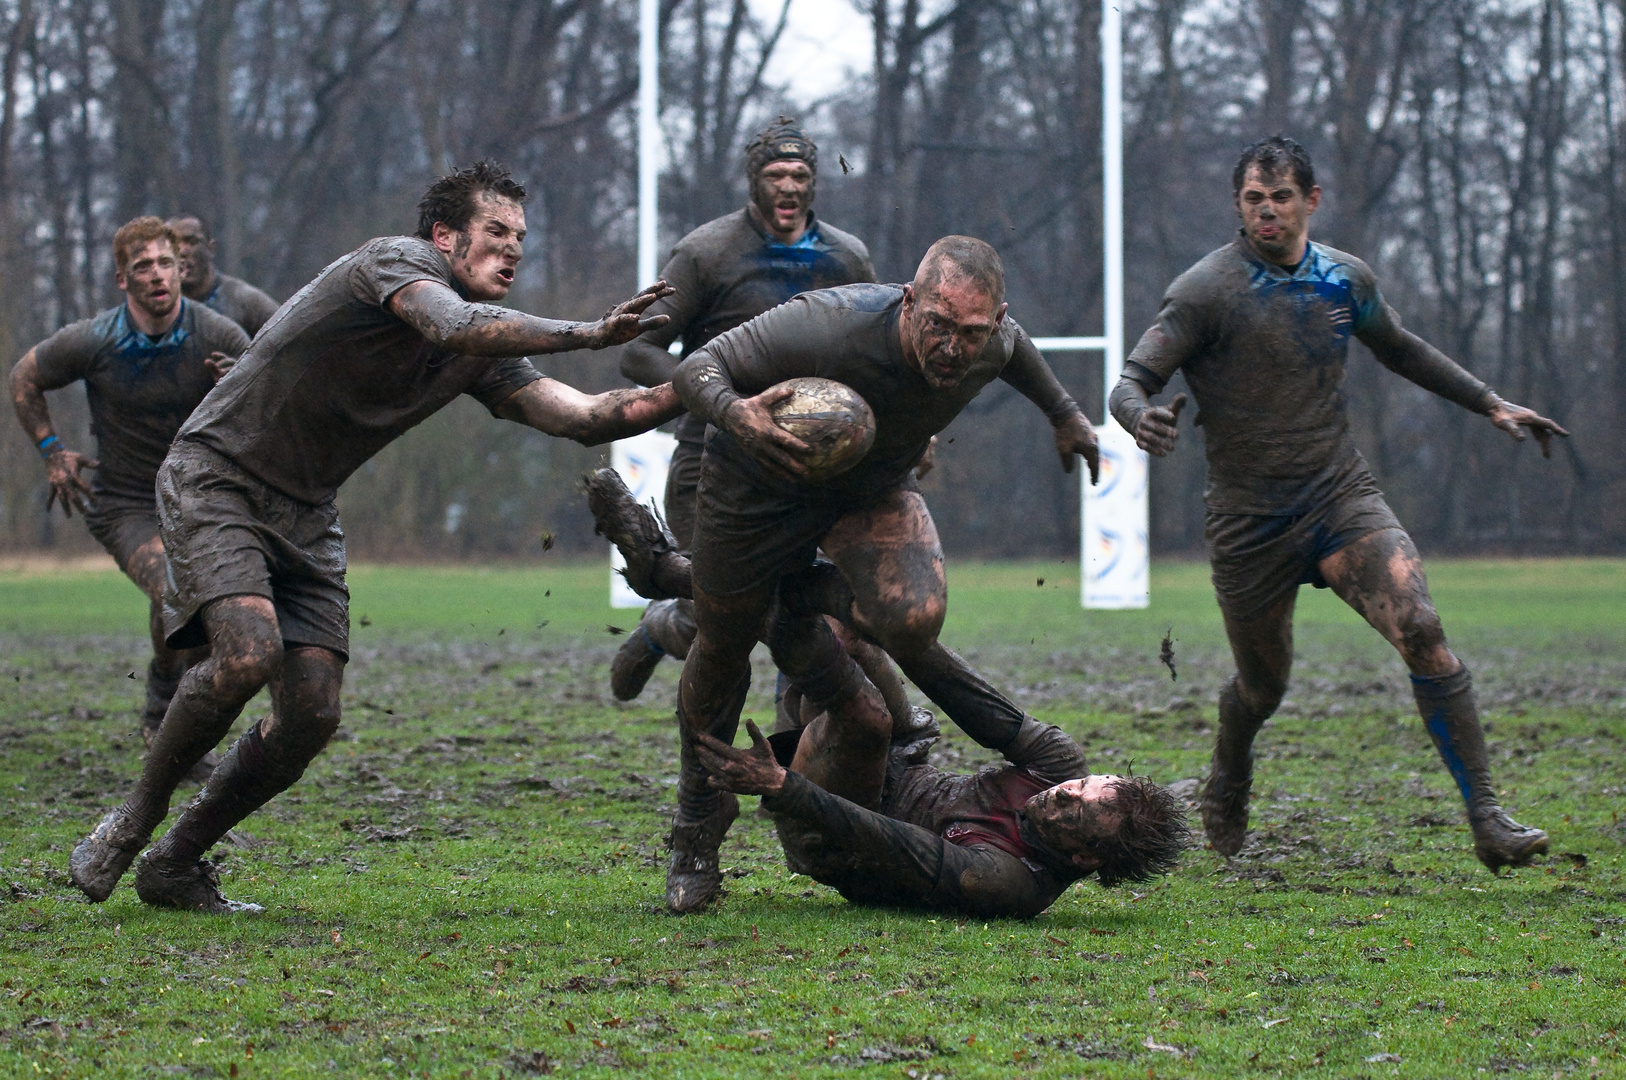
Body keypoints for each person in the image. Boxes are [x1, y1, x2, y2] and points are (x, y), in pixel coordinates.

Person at [69, 161, 684, 913]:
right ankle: (133, 819)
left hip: (306, 511)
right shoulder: (392, 263)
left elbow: (583, 416)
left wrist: (712, 388)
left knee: (314, 713)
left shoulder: (480, 349)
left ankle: (175, 864)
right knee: (249, 651)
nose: (513, 249)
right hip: (217, 477)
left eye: (521, 237)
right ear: (443, 236)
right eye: (495, 233)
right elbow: (449, 321)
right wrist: (589, 330)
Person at [1108, 136, 1569, 873]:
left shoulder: (1343, 279)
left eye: (1281, 198)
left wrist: (1489, 403)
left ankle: (1487, 817)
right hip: (1248, 521)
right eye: (1254, 200)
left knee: (1421, 626)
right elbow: (1130, 381)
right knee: (1264, 687)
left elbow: (1403, 348)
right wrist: (1141, 418)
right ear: (1238, 205)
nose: (1268, 212)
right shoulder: (1204, 291)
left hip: (1338, 497)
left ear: (1310, 201)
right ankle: (1229, 772)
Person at [649, 234, 1100, 913]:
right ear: (909, 301)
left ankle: (786, 595)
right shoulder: (829, 324)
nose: (951, 346)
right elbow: (701, 367)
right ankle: (696, 828)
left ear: (995, 321)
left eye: (970, 332)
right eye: (937, 326)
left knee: (912, 618)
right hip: (755, 486)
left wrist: (1064, 413)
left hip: (866, 493)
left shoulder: (994, 343)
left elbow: (1021, 353)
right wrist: (736, 413)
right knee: (722, 645)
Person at [611, 117, 877, 704]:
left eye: (800, 175)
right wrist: (723, 399)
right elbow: (638, 353)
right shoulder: (707, 254)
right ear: (754, 182)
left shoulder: (848, 259)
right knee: (726, 620)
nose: (789, 186)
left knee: (803, 618)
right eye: (776, 174)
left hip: (814, 467)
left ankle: (793, 761)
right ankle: (663, 628)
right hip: (713, 462)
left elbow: (879, 357)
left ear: (814, 184)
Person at [9, 217, 250, 778]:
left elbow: (267, 404)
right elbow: (23, 378)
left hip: (200, 499)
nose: (158, 276)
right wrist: (52, 450)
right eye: (143, 267)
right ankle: (164, 710)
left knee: (214, 608)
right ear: (123, 279)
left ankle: (172, 705)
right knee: (175, 587)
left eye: (166, 264)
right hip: (125, 502)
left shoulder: (218, 335)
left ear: (179, 269)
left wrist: (237, 387)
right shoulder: (95, 339)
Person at [696, 699, 1186, 917]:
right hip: (898, 767)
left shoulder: (1004, 880)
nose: (1065, 792)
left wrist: (785, 786)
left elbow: (884, 839)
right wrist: (910, 639)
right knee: (856, 636)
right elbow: (965, 692)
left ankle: (693, 823)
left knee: (862, 713)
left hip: (834, 838)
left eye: (1076, 811)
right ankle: (673, 605)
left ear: (1084, 859)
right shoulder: (1056, 768)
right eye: (1082, 785)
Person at [167, 216, 280, 338]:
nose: (182, 251)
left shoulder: (246, 302)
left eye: (192, 242)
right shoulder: (156, 305)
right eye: (173, 244)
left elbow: (290, 341)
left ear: (210, 248)